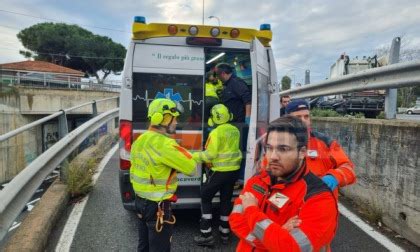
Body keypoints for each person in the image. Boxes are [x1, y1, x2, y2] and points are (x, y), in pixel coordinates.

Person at [229, 116, 338, 251]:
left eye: (283, 149)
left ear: (302, 152)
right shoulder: (259, 179)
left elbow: (292, 247)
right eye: (269, 148)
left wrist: (252, 210)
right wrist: (277, 235)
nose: (273, 156)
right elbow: (235, 220)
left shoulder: (318, 197)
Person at [130, 98, 198, 252]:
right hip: (158, 206)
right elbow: (192, 167)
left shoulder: (139, 140)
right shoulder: (166, 144)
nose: (176, 123)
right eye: (174, 119)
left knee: (144, 246)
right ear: (164, 119)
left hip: (140, 202)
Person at [193, 104, 242, 246]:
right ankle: (225, 233)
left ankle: (206, 234)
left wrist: (193, 155)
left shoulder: (215, 132)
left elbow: (210, 155)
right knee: (226, 200)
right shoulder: (235, 130)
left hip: (219, 171)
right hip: (233, 171)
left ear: (214, 118)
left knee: (205, 196)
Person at [285, 99, 356, 193]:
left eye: (306, 116)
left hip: (322, 201)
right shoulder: (278, 144)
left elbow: (348, 168)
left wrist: (334, 177)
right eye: (298, 117)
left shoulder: (326, 143)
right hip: (292, 202)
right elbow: (266, 175)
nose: (303, 121)